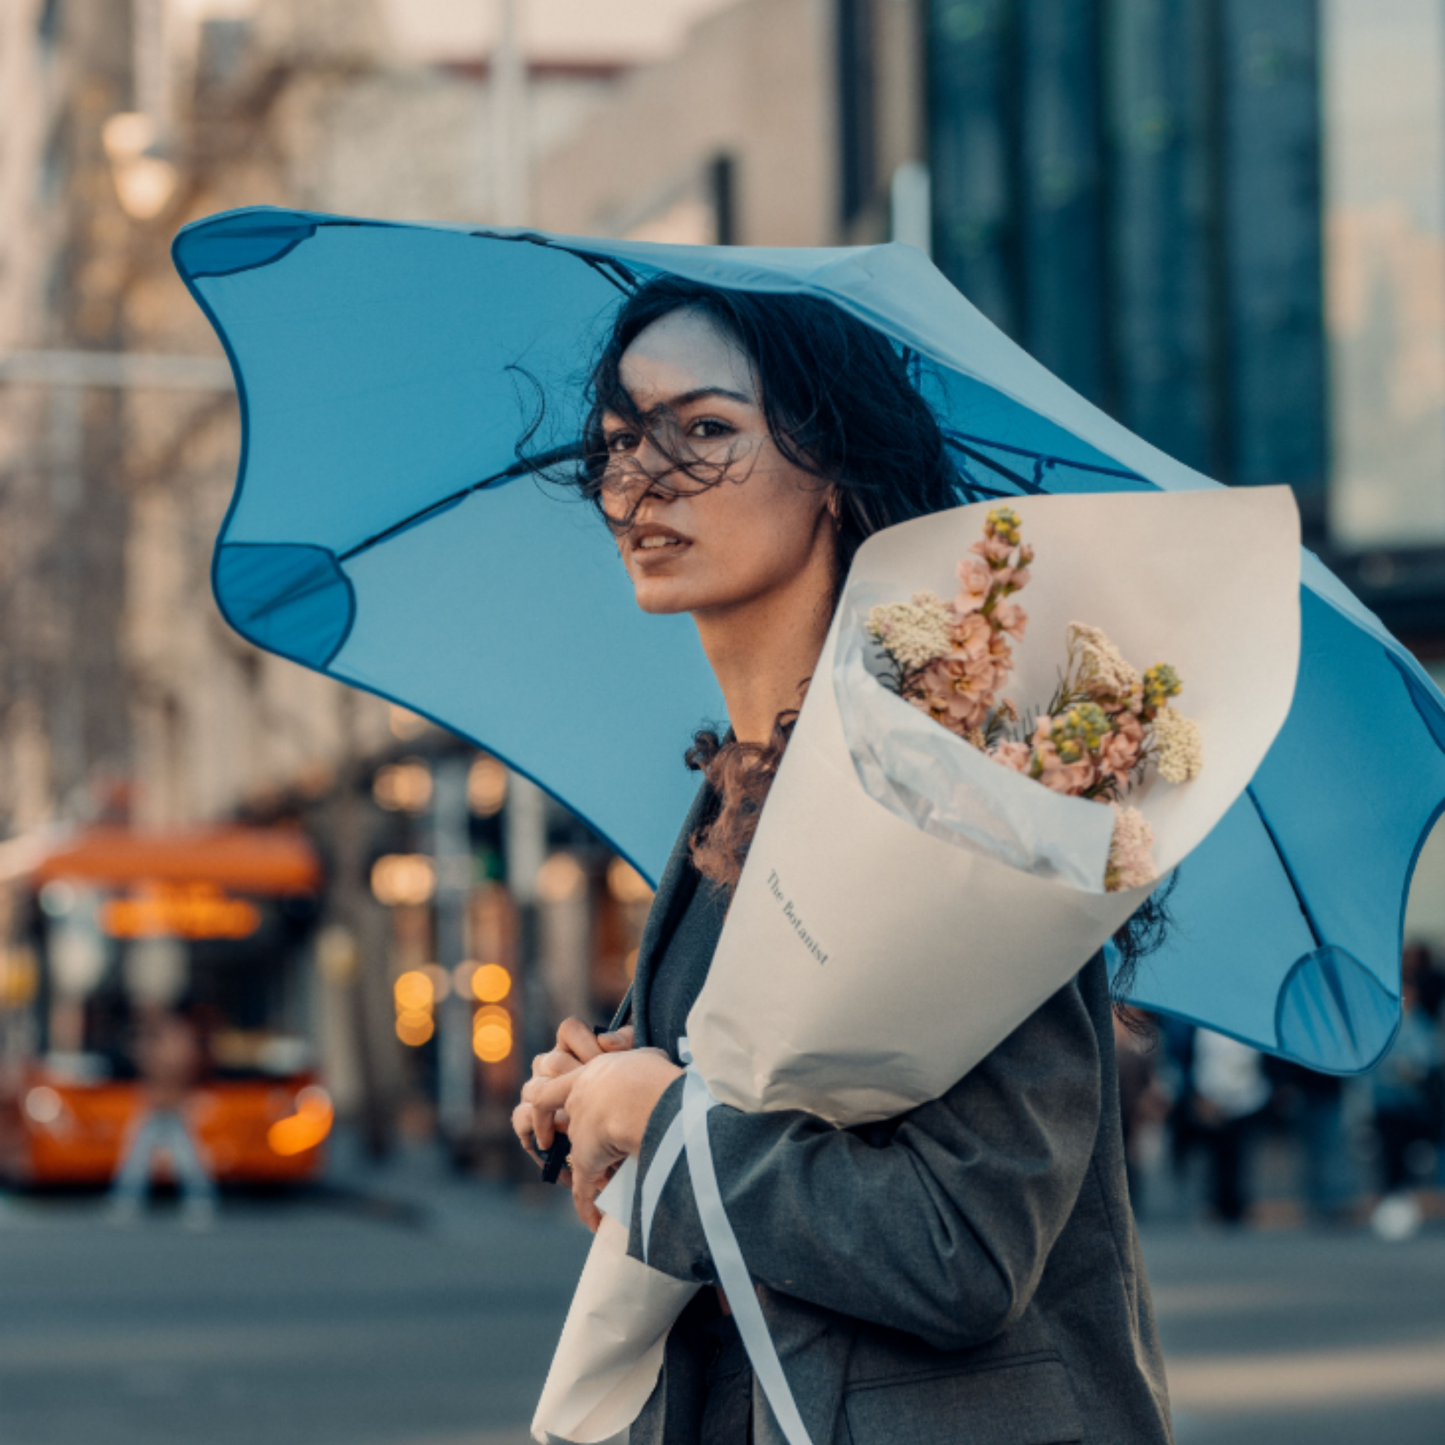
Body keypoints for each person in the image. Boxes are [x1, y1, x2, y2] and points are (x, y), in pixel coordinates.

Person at [512, 279, 1174, 1444]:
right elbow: (748, 1165)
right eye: (618, 439)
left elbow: (960, 1249)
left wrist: (658, 1117)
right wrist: (599, 1108)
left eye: (704, 429)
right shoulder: (730, 796)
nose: (638, 479)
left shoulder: (957, 782)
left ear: (831, 465)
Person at [108, 1007, 218, 1229]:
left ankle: (200, 1204)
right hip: (155, 1106)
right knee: (135, 1159)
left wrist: (150, 1054)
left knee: (187, 1160)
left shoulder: (175, 1041)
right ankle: (126, 1203)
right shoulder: (159, 1040)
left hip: (173, 1107)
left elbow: (173, 1069)